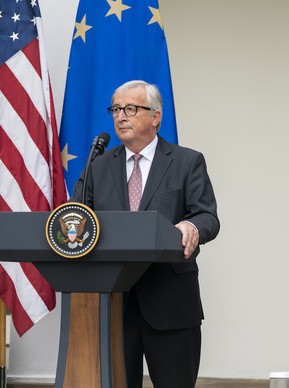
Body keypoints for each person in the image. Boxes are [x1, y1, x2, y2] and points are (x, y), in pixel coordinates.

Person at [70, 80, 220, 387]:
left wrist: (192, 227)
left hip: (171, 303)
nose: (120, 116)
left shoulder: (186, 162)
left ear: (155, 116)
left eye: (130, 108)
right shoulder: (98, 167)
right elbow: (77, 217)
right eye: (116, 109)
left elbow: (207, 216)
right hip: (113, 305)